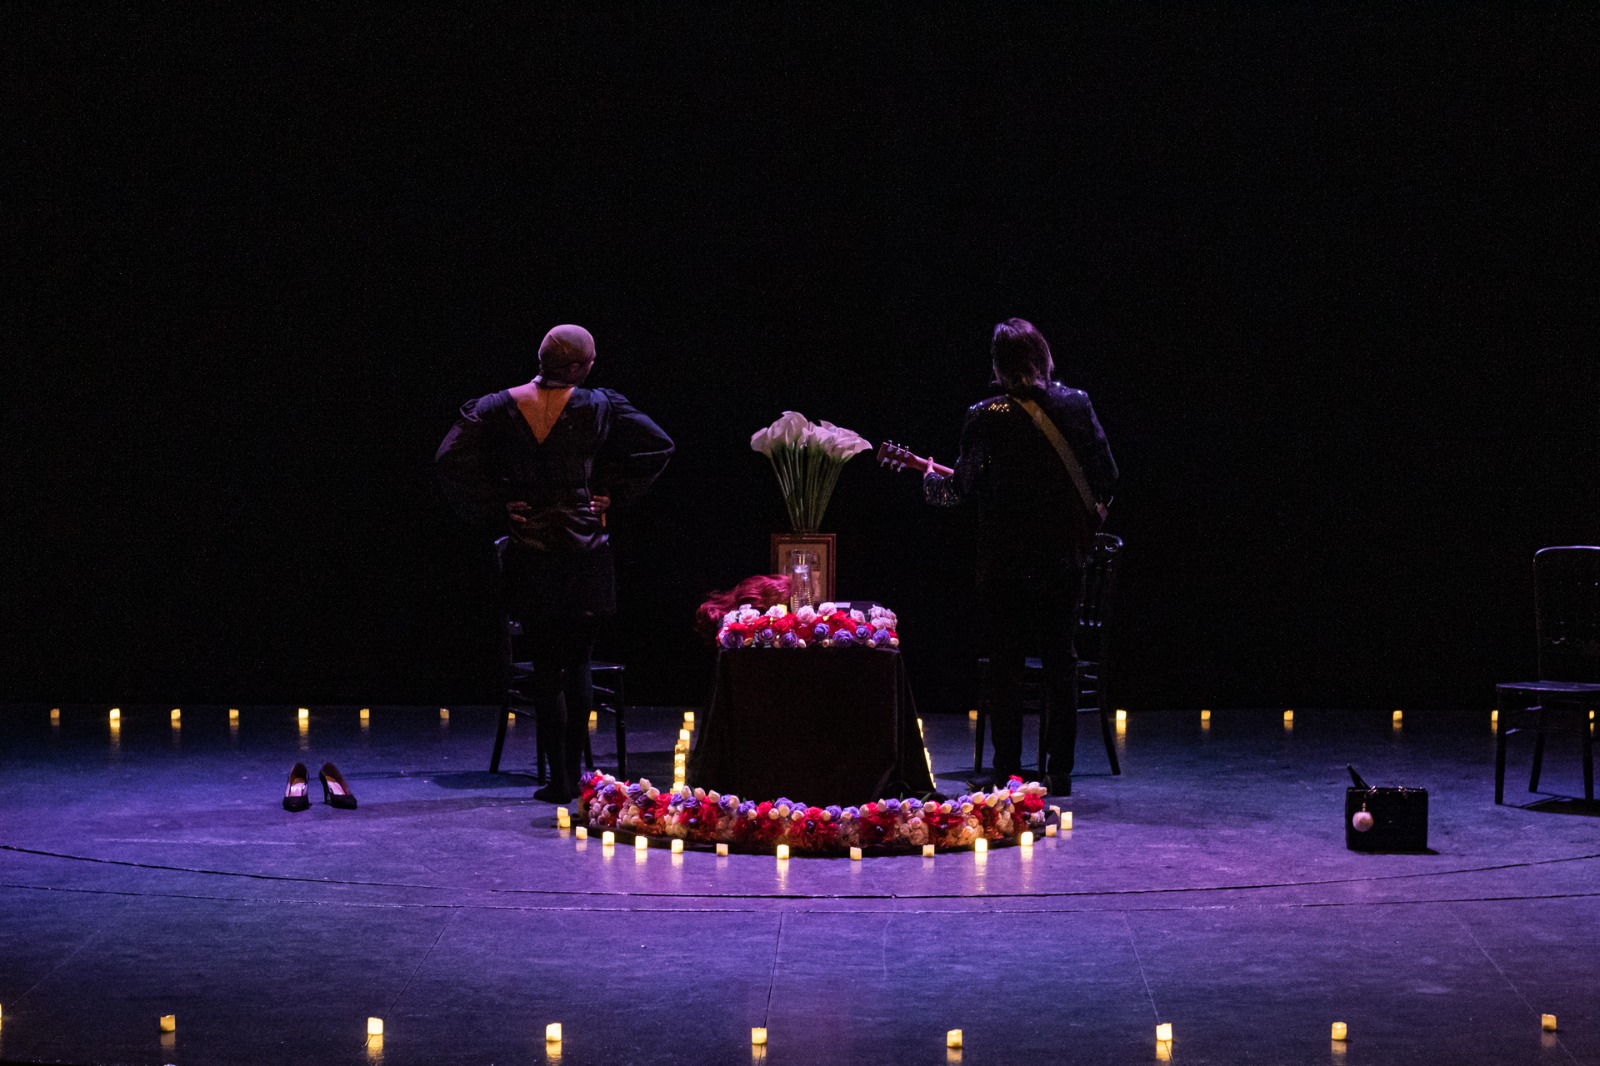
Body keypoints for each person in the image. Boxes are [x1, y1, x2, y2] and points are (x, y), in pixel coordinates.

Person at [435, 324, 673, 802]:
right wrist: (611, 493)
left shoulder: (499, 405)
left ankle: (560, 781)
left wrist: (500, 501)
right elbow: (659, 444)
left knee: (546, 668)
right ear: (576, 367)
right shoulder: (600, 404)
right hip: (585, 551)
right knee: (578, 664)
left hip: (532, 552)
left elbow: (448, 458)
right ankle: (573, 776)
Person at [922, 318, 1117, 795]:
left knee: (1006, 666)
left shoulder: (984, 415)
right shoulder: (1078, 404)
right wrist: (1088, 515)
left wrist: (928, 481)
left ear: (998, 365)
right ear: (1043, 355)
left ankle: (1007, 770)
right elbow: (1108, 474)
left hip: (1005, 563)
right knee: (1060, 663)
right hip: (1063, 561)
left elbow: (959, 490)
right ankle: (1059, 771)